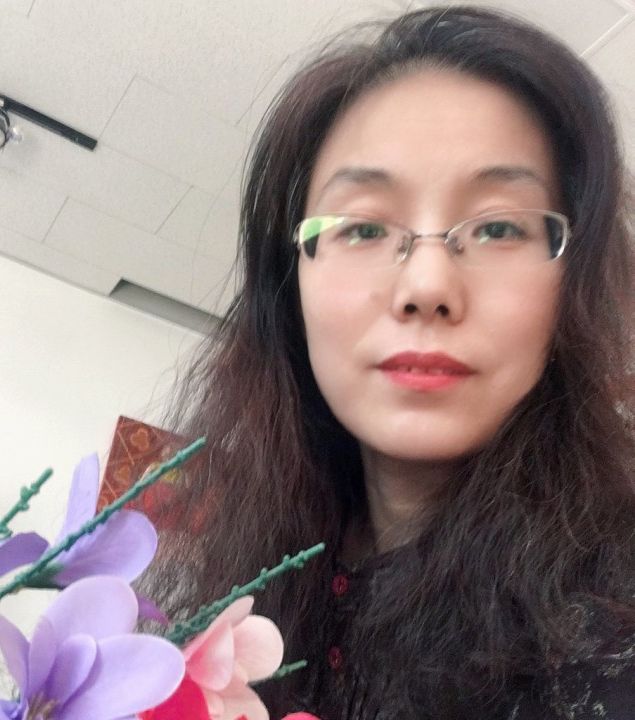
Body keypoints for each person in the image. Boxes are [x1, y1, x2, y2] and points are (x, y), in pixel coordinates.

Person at [139, 5, 635, 719]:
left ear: (575, 283)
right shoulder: (245, 575)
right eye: (364, 227)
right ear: (291, 281)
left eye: (499, 227)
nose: (427, 286)